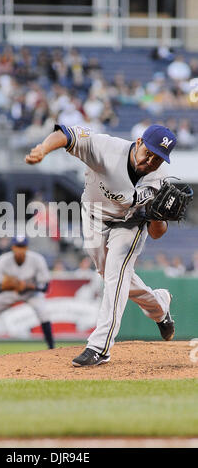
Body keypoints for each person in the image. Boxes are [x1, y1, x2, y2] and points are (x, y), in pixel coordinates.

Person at [25, 123, 177, 367]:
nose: (150, 161)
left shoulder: (158, 181)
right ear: (138, 142)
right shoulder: (105, 149)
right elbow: (67, 134)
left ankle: (99, 347)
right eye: (148, 152)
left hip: (130, 225)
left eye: (158, 159)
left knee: (116, 276)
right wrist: (43, 149)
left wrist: (159, 217)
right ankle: (159, 305)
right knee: (109, 275)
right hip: (94, 215)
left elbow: (157, 233)